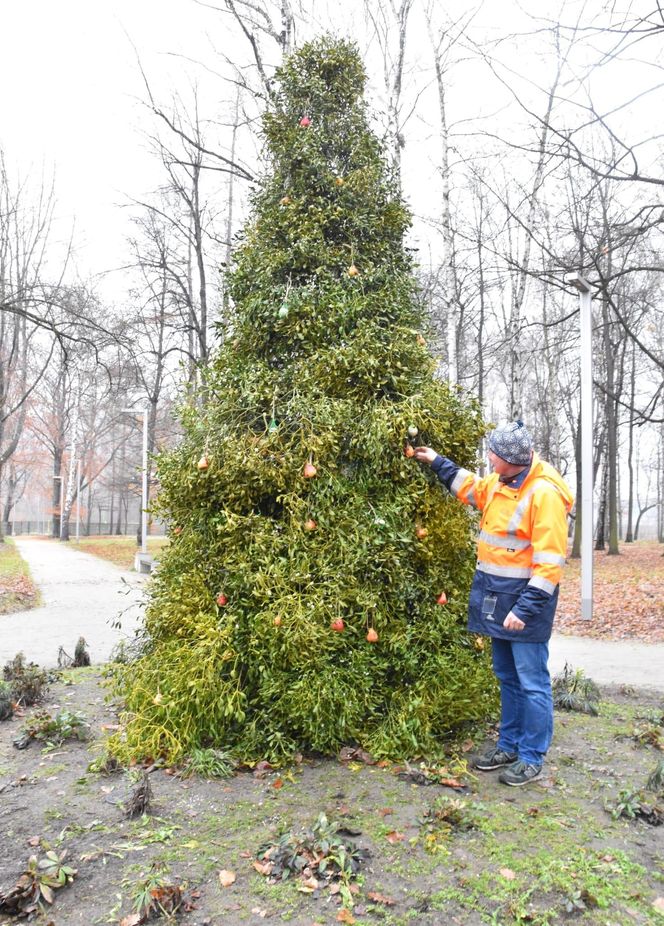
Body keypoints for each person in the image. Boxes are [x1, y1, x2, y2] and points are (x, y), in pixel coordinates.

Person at [413, 420, 573, 786]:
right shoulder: (501, 483)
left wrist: (525, 608)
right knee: (507, 677)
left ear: (509, 460)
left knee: (532, 681)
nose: (488, 458)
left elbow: (550, 563)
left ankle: (532, 758)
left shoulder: (543, 494)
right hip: (497, 596)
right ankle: (509, 745)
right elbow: (470, 488)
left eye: (493, 454)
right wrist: (438, 461)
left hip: (524, 604)